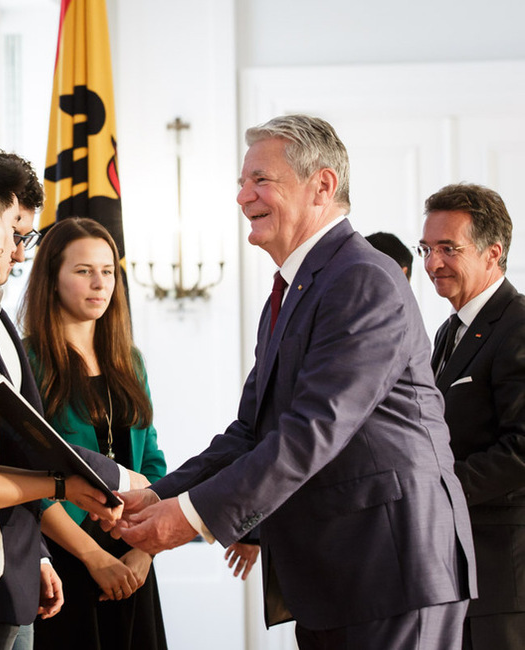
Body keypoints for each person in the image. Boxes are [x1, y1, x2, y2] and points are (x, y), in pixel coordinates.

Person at [110, 115, 476, 649]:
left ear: (322, 186)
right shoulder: (295, 288)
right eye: (242, 182)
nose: (242, 197)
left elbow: (313, 431)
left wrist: (189, 517)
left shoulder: (361, 279)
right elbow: (251, 432)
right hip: (340, 577)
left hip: (391, 569)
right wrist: (157, 495)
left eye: (260, 180)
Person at [0, 151, 131, 650]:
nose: (19, 253)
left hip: (20, 562)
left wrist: (40, 554)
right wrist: (123, 485)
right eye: (13, 232)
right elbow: (16, 443)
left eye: (24, 237)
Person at [19, 217, 168, 650]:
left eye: (107, 271)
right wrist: (93, 556)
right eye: (83, 271)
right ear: (52, 279)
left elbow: (153, 463)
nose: (99, 283)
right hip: (66, 557)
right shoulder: (30, 360)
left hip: (134, 554)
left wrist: (146, 551)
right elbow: (28, 477)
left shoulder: (129, 360)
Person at [419, 183, 525, 649]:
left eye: (448, 249)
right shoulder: (448, 331)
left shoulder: (519, 324)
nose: (432, 263)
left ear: (493, 253)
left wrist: (432, 496)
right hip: (455, 572)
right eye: (427, 248)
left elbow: (521, 450)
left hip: (505, 575)